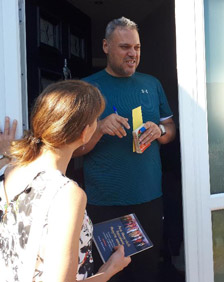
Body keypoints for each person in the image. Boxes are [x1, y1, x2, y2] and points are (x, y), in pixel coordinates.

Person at [74, 17, 176, 282]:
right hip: (103, 203)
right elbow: (71, 151)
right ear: (106, 46)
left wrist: (160, 131)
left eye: (137, 48)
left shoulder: (152, 84)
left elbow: (171, 129)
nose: (133, 54)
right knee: (107, 274)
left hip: (149, 198)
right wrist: (98, 128)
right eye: (125, 47)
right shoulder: (87, 89)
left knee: (147, 271)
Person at [0, 80, 131, 282]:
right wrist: (109, 270)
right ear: (85, 132)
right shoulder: (66, 194)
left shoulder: (7, 171)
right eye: (97, 119)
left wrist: (6, 155)